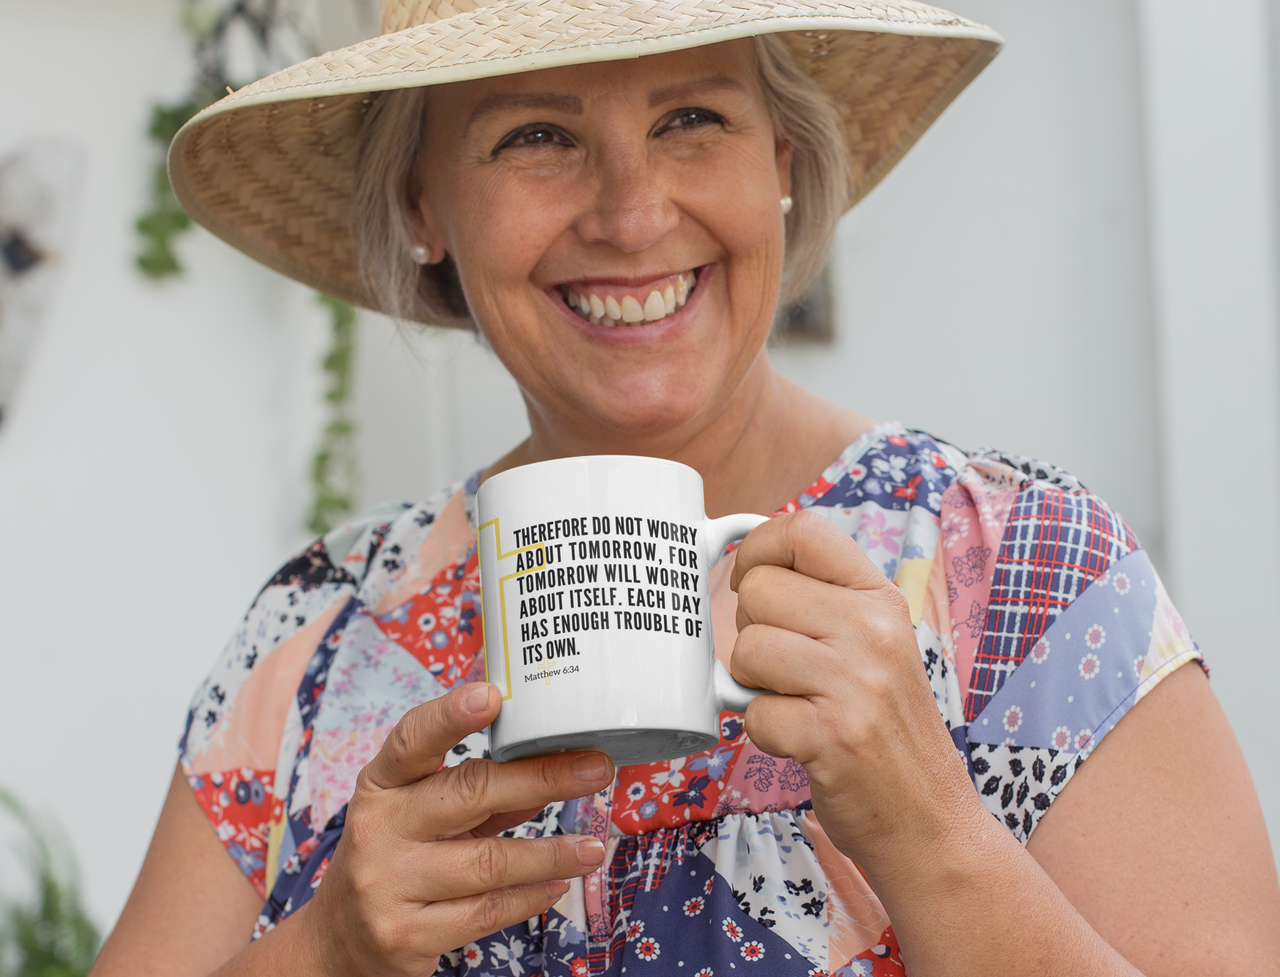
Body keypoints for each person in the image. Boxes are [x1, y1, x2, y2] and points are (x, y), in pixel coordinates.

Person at [92, 1, 1280, 974]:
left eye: (692, 117)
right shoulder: (319, 639)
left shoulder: (1015, 569)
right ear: (420, 205)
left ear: (782, 158)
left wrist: (930, 829)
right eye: (533, 136)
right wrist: (331, 949)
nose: (631, 211)